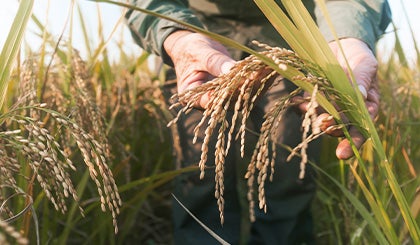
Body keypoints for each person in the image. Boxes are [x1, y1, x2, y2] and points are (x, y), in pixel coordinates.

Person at [125, 1, 391, 244]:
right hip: (195, 29)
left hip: (288, 35)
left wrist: (347, 38)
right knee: (199, 170)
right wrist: (177, 35)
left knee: (288, 168)